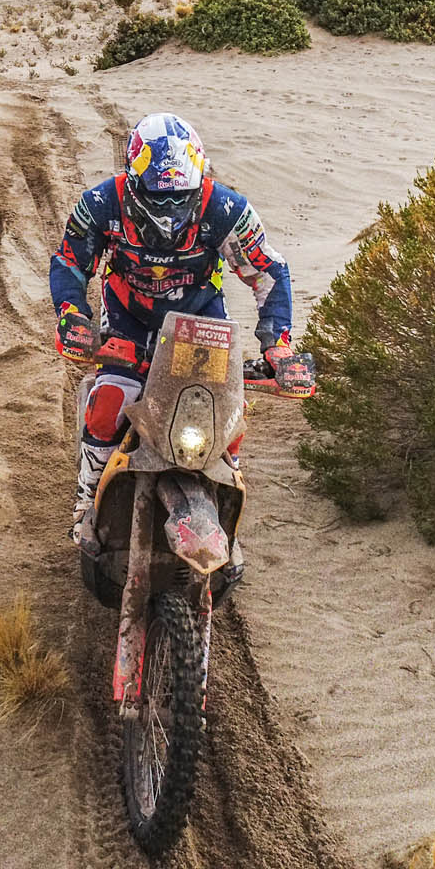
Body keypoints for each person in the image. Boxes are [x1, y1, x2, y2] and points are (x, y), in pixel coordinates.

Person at [49, 112, 313, 546]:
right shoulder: (100, 204)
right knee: (112, 396)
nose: (169, 209)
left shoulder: (226, 209)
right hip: (127, 312)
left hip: (200, 315)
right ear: (134, 182)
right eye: (158, 198)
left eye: (180, 197)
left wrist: (278, 346)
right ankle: (86, 498)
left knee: (230, 407)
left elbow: (268, 271)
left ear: (199, 178)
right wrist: (73, 315)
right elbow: (69, 261)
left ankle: (227, 477)